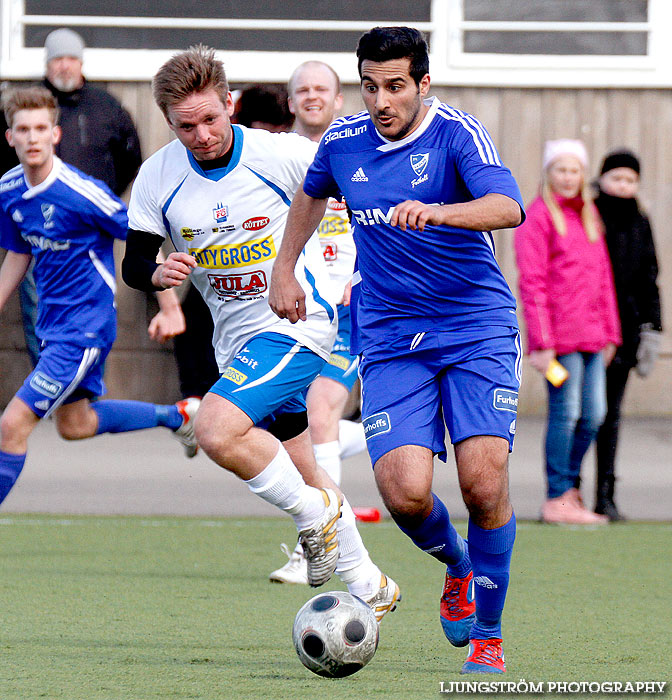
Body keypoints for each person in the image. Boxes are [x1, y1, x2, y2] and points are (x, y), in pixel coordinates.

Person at [270, 26, 524, 674]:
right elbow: (312, 192)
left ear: (423, 84)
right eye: (371, 86)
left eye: (395, 86)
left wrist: (442, 211)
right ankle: (459, 566)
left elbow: (507, 206)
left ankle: (489, 637)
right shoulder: (345, 141)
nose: (381, 100)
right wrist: (284, 268)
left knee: (482, 481)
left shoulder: (456, 134)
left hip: (475, 326)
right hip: (389, 333)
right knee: (405, 493)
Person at [121, 45, 400, 620]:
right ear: (169, 123)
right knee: (307, 472)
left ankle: (313, 519)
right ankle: (370, 583)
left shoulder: (282, 154)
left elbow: (367, 201)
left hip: (298, 322)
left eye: (210, 119)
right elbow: (135, 263)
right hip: (236, 341)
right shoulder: (158, 176)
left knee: (216, 428)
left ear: (230, 104)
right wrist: (157, 271)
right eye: (185, 126)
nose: (200, 135)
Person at [0, 87, 199, 509]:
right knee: (76, 424)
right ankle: (178, 416)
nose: (32, 138)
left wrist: (168, 304)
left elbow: (140, 238)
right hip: (50, 325)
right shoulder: (10, 190)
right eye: (23, 129)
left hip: (86, 328)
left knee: (12, 425)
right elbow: (18, 253)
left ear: (55, 135)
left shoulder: (81, 193)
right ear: (10, 138)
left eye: (41, 128)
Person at [268, 60, 370, 585]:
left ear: (338, 100)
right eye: (301, 89)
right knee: (293, 430)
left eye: (321, 89)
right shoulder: (276, 157)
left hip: (351, 308)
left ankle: (319, 540)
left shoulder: (361, 152)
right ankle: (385, 436)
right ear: (291, 103)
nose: (311, 96)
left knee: (318, 409)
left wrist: (366, 273)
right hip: (294, 309)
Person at [0, 28, 148, 368]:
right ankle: (50, 382)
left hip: (89, 223)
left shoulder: (104, 105)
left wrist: (104, 196)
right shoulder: (29, 107)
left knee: (91, 303)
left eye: (70, 59)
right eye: (57, 60)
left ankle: (76, 389)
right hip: (36, 227)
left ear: (80, 64)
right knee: (38, 305)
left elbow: (131, 156)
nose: (64, 67)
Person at [514, 139, 621, 526]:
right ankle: (557, 496)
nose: (567, 177)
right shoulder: (539, 217)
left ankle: (569, 491)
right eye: (560, 169)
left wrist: (611, 334)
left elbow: (603, 279)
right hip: (560, 340)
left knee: (595, 415)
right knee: (567, 413)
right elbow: (532, 282)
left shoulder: (589, 217)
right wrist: (541, 343)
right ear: (548, 173)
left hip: (594, 337)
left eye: (574, 170)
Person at [593, 149, 662, 521]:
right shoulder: (589, 216)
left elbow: (650, 276)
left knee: (611, 416)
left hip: (626, 333)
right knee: (581, 414)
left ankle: (606, 494)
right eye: (617, 178)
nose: (623, 186)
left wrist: (653, 327)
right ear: (602, 179)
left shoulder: (640, 220)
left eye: (630, 180)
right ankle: (565, 490)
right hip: (587, 333)